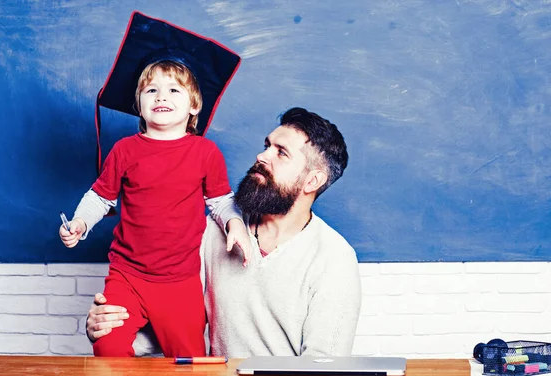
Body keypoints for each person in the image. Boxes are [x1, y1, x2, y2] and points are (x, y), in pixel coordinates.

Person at [86, 107, 362, 357]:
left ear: (313, 180)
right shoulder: (211, 232)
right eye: (267, 145)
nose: (262, 156)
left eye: (281, 152)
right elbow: (175, 321)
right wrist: (113, 329)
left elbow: (325, 366)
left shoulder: (334, 258)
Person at [59, 12, 250, 358]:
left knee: (190, 359)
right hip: (127, 275)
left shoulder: (205, 152)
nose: (162, 96)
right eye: (151, 90)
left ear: (194, 105)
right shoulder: (125, 150)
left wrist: (235, 222)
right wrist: (80, 223)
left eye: (174, 90)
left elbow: (221, 200)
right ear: (139, 104)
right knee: (108, 345)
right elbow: (100, 198)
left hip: (179, 282)